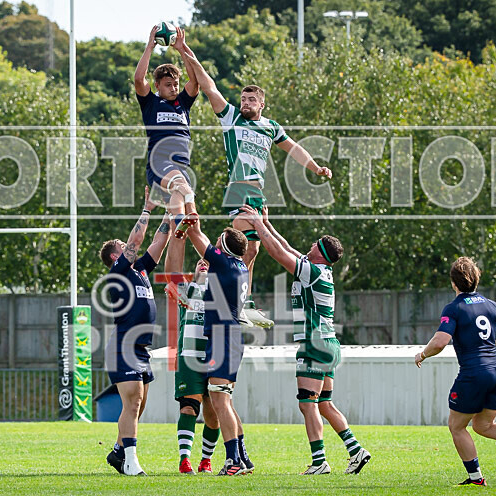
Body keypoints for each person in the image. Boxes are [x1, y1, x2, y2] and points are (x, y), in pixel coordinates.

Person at [178, 35, 332, 328]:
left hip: (257, 192)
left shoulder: (271, 127)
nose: (245, 103)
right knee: (240, 246)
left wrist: (315, 167)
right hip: (240, 189)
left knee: (251, 250)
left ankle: (233, 299)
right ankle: (217, 292)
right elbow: (208, 85)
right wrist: (186, 51)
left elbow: (294, 148)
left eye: (251, 100)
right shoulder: (231, 118)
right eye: (244, 99)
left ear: (262, 104)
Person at [241, 205, 371, 475]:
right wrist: (266, 223)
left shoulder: (311, 272)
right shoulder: (317, 270)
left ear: (321, 253)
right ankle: (356, 450)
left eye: (316, 243)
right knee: (324, 403)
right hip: (329, 343)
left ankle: (319, 462)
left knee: (306, 403)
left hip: (314, 343)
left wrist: (257, 224)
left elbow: (278, 253)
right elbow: (285, 246)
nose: (311, 244)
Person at [414, 257, 496, 486]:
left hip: (474, 374)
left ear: (454, 283)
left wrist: (422, 354)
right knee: (483, 426)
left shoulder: (454, 308)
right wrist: (490, 348)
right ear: (476, 279)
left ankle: (476, 479)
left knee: (456, 426)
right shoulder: (492, 305)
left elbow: (440, 342)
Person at [101, 186, 172, 476]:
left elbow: (158, 241)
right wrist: (148, 208)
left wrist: (172, 212)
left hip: (141, 348)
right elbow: (138, 237)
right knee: (133, 403)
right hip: (124, 346)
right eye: (123, 244)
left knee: (138, 406)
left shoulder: (140, 269)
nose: (128, 243)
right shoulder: (118, 271)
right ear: (116, 255)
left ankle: (118, 452)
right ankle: (130, 461)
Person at [185, 217, 253, 476]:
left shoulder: (224, 262)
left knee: (219, 401)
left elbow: (195, 234)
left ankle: (234, 460)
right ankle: (242, 458)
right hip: (232, 335)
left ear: (223, 247)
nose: (213, 245)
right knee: (225, 399)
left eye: (217, 243)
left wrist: (187, 207)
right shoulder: (240, 266)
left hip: (222, 335)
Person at [134, 24, 200, 287]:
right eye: (168, 84)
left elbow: (195, 81)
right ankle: (191, 214)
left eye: (175, 83)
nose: (174, 88)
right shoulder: (151, 103)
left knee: (179, 231)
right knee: (185, 193)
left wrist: (183, 50)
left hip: (180, 167)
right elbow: (139, 80)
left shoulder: (183, 103)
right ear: (158, 86)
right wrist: (150, 45)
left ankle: (175, 282)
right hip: (160, 163)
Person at [174, 258, 221, 475]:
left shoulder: (222, 291)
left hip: (215, 357)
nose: (203, 263)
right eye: (200, 262)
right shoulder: (186, 288)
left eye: (208, 263)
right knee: (189, 407)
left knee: (214, 412)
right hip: (189, 356)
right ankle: (185, 460)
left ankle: (206, 460)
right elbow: (172, 270)